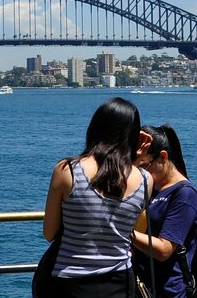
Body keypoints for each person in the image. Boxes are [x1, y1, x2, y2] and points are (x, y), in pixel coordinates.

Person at [42, 97, 152, 297]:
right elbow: (126, 229)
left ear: (95, 128)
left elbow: (49, 233)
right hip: (120, 282)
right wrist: (133, 161)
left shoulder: (67, 170)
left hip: (70, 282)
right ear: (134, 135)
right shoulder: (145, 179)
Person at [132, 124, 197, 297]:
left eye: (144, 167)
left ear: (163, 157)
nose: (140, 173)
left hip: (169, 291)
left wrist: (123, 232)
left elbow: (164, 250)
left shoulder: (185, 194)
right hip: (141, 285)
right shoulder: (151, 187)